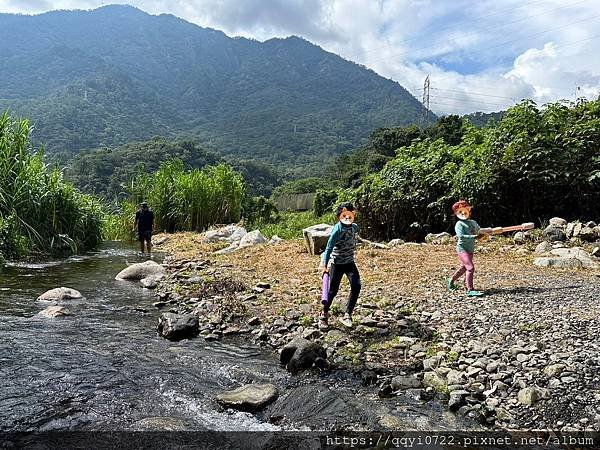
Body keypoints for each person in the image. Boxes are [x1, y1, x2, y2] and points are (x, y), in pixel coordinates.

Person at [318, 202, 362, 330]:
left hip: (349, 263)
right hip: (337, 264)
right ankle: (324, 315)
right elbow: (329, 247)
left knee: (356, 286)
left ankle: (347, 314)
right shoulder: (337, 230)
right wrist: (325, 266)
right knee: (332, 291)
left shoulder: (354, 227)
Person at [447, 200, 497, 296]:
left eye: (466, 210)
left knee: (464, 268)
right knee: (470, 268)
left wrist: (490, 231)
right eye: (461, 211)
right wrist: (475, 237)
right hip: (462, 249)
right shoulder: (459, 224)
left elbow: (480, 230)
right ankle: (470, 290)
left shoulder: (473, 222)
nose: (464, 213)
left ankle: (451, 280)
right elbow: (461, 236)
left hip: (470, 250)